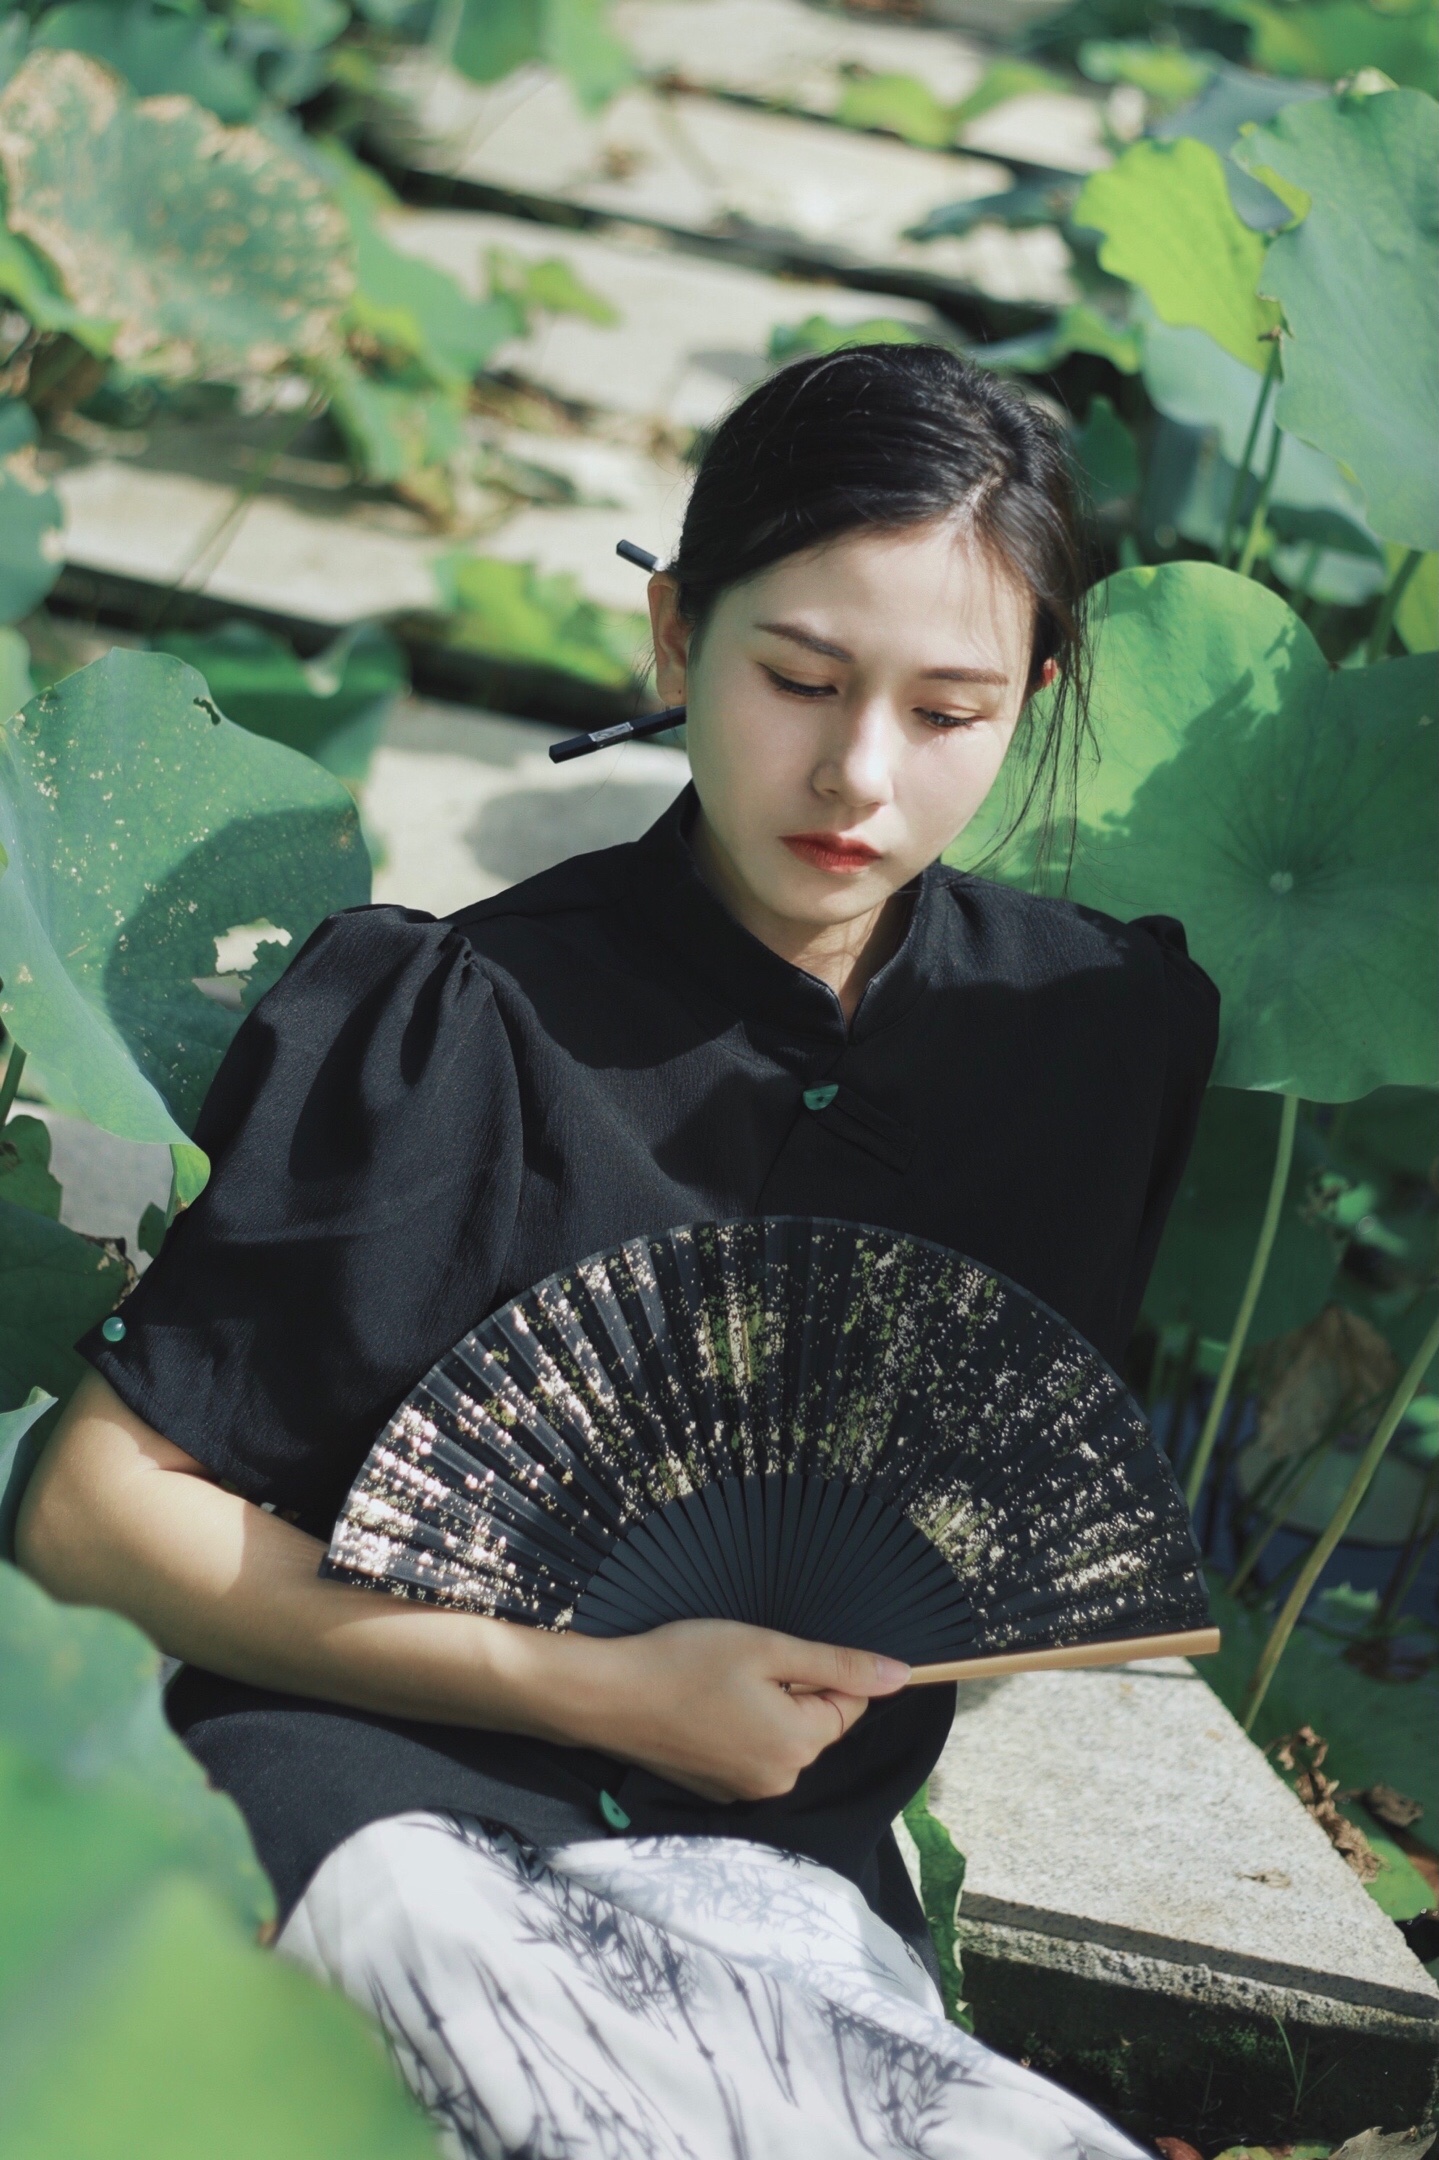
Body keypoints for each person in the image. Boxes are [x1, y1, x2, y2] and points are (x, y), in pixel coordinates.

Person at [19, 345, 1218, 2158]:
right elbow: (90, 1513)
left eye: (949, 713)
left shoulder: (1094, 1036)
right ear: (674, 636)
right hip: (397, 1810)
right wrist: (598, 1687)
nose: (858, 773)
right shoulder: (458, 1020)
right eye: (797, 679)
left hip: (780, 1874)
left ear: (1035, 695)